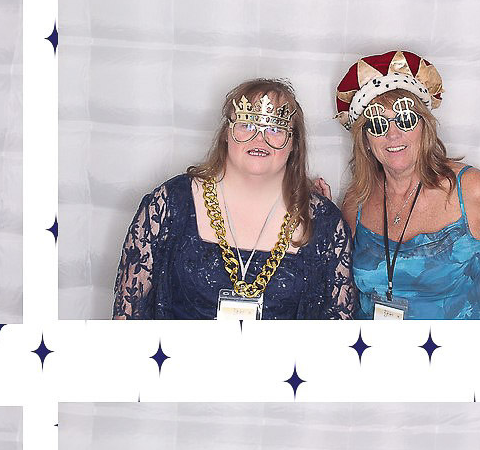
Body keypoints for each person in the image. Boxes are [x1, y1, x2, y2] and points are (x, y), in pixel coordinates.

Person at [112, 77, 355, 320]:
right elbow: (128, 318)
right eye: (247, 124)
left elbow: (336, 328)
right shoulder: (169, 205)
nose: (259, 139)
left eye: (275, 128)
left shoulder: (324, 222)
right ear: (226, 134)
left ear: (294, 143)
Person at [335, 49, 480, 321]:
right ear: (365, 139)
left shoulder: (472, 191)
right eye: (377, 124)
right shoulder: (357, 199)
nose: (393, 134)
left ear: (424, 127)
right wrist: (320, 218)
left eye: (405, 119)